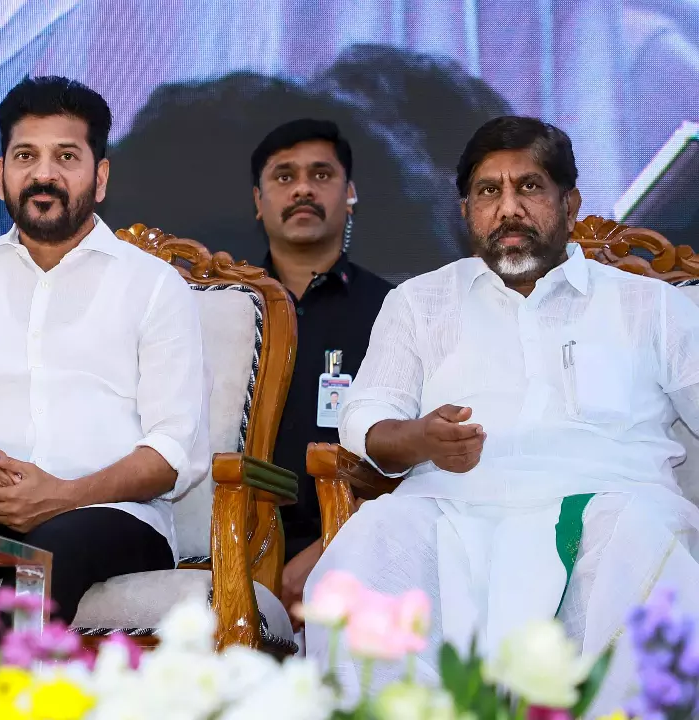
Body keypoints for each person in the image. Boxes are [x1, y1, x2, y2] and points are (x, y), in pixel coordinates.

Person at [305, 116, 699, 711]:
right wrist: (420, 438)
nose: (508, 208)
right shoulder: (419, 303)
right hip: (452, 514)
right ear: (466, 210)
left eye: (530, 188)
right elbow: (365, 419)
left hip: (609, 514)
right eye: (489, 191)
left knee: (643, 543)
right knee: (371, 545)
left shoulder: (652, 306)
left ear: (570, 203)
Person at [0, 76, 210, 624]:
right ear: (0, 175)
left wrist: (64, 494)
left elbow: (175, 451)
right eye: (25, 155)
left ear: (99, 177)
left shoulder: (154, 286)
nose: (43, 174)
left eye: (66, 156)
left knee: (41, 563)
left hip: (113, 516)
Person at [248, 119, 393, 615]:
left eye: (321, 175)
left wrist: (329, 547)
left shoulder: (394, 310)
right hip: (228, 534)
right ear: (257, 200)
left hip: (355, 538)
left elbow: (407, 460)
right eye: (284, 177)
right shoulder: (222, 304)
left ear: (350, 193)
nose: (304, 189)